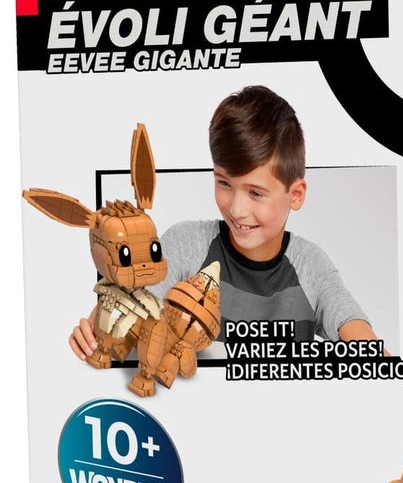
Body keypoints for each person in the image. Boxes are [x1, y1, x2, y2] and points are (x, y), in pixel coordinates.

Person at [70, 86, 382, 357]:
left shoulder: (310, 265)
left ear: (296, 195)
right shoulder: (186, 245)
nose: (236, 208)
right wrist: (97, 327)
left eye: (256, 193)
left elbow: (359, 335)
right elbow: (133, 304)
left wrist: (376, 360)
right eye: (224, 183)